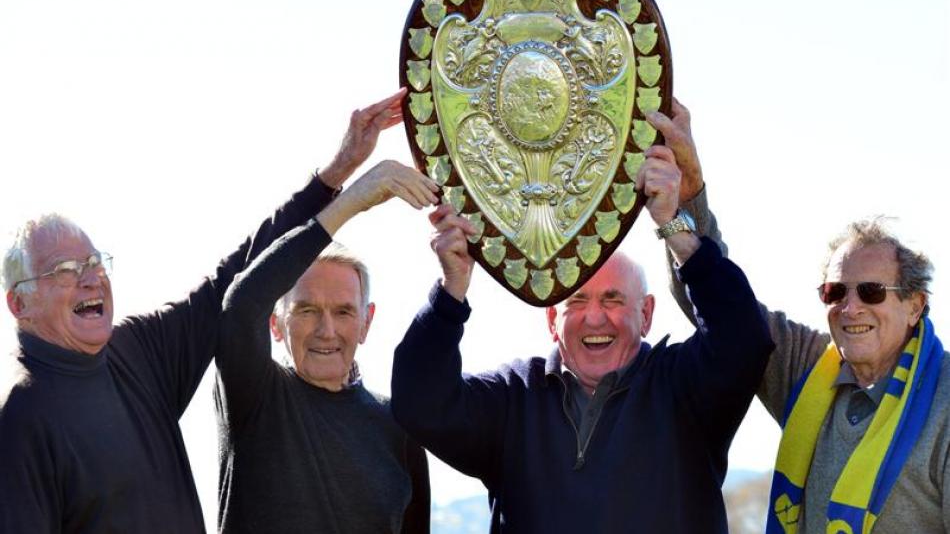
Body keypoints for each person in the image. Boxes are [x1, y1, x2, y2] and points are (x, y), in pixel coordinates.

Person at [0, 90, 429, 532]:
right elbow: (242, 305)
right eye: (64, 271)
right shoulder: (20, 417)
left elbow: (232, 279)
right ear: (20, 303)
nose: (90, 278)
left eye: (94, 263)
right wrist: (349, 203)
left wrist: (337, 173)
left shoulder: (137, 352)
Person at [390, 140, 775, 533]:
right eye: (577, 301)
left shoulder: (684, 388)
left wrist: (673, 225)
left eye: (612, 300)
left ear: (646, 314)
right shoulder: (514, 399)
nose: (594, 318)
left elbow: (744, 338)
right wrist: (451, 288)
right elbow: (420, 404)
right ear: (552, 318)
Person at [653, 100, 950, 533]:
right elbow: (722, 306)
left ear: (915, 305)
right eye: (834, 292)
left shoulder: (943, 401)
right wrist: (689, 196)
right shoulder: (808, 368)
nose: (850, 308)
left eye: (870, 291)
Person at [214, 160, 437, 533]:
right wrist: (351, 203)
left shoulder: (399, 431)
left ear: (366, 322)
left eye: (343, 311)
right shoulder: (255, 397)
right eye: (306, 310)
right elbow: (239, 306)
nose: (326, 330)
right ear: (276, 324)